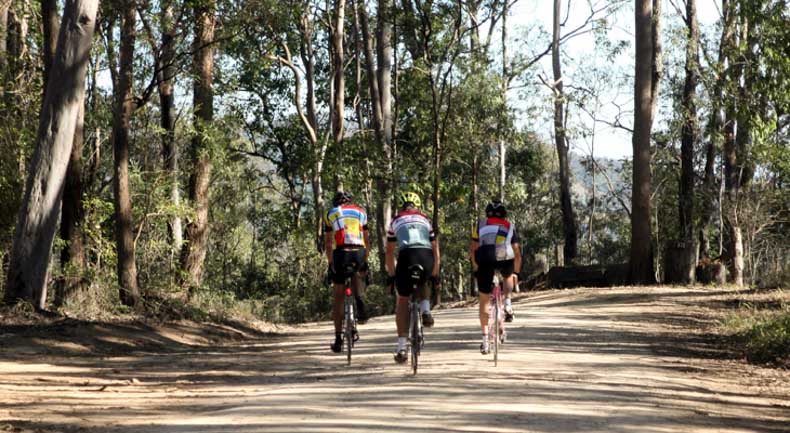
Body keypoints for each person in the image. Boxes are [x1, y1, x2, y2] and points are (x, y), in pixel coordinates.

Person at [386, 191, 440, 364]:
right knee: (424, 279)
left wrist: (393, 275)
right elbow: (435, 248)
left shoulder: (395, 220)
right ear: (417, 207)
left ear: (402, 207)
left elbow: (389, 251)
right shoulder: (425, 219)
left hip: (406, 256)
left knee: (402, 299)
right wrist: (434, 274)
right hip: (426, 255)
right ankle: (426, 310)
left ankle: (402, 346)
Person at [470, 200, 521, 355]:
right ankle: (507, 303)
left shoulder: (479, 225)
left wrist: (476, 267)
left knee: (484, 300)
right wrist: (516, 274)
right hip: (504, 255)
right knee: (507, 275)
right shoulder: (509, 225)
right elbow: (517, 253)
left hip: (485, 257)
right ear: (504, 214)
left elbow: (473, 249)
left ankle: (485, 341)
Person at [324, 191, 370, 353]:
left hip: (341, 254)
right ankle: (360, 300)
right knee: (358, 272)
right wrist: (365, 260)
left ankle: (338, 339)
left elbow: (329, 243)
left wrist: (330, 264)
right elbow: (366, 238)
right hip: (358, 252)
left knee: (338, 297)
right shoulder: (361, 212)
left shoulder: (331, 213)